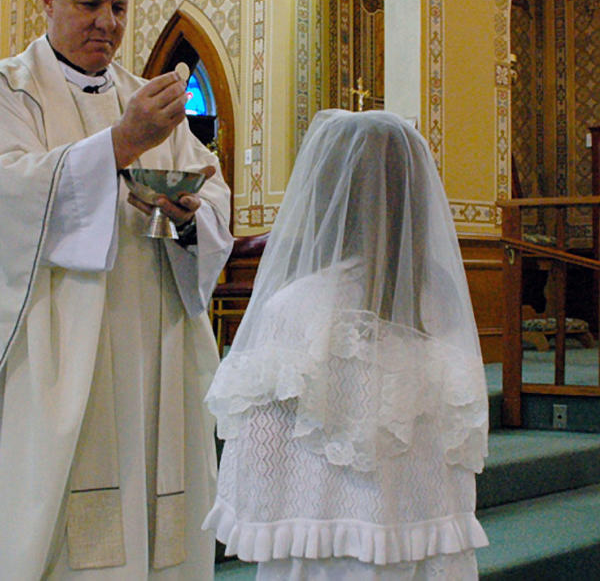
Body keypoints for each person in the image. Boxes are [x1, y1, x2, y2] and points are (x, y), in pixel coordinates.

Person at [0, 0, 233, 580]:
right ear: (48, 0)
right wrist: (119, 143)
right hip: (48, 352)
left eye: (118, 9)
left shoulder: (150, 100)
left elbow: (211, 187)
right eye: (89, 4)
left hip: (145, 346)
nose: (106, 24)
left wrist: (195, 217)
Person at [204, 110, 490, 580]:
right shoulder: (440, 301)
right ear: (416, 198)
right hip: (418, 535)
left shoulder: (295, 306)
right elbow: (455, 445)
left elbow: (260, 451)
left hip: (323, 540)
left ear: (323, 194)